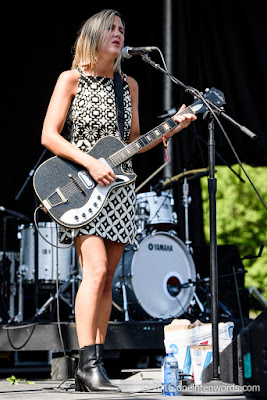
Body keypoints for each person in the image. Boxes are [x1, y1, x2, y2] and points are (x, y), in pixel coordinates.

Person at [41, 9, 197, 392]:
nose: (118, 33)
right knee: (93, 271)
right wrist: (90, 163)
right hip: (80, 186)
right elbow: (49, 135)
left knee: (108, 277)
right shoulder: (71, 79)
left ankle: (92, 368)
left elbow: (131, 145)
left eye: (122, 29)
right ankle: (86, 363)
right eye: (111, 28)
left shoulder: (129, 86)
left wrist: (170, 129)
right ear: (93, 35)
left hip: (119, 192)